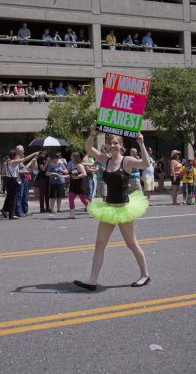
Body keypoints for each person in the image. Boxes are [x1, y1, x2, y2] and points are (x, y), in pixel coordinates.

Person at [73, 123, 150, 291]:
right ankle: (92, 280)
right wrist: (92, 133)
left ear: (121, 146)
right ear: (108, 145)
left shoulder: (127, 161)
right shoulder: (105, 159)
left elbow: (145, 163)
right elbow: (88, 148)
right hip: (109, 208)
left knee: (131, 244)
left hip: (124, 208)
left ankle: (144, 275)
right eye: (111, 143)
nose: (113, 145)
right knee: (99, 244)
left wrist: (141, 143)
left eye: (116, 143)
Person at [0, 149, 38, 220]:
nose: (18, 156)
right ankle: (11, 215)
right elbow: (24, 159)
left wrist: (26, 172)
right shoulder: (13, 161)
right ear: (14, 156)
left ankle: (5, 209)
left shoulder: (7, 162)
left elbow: (6, 172)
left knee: (10, 196)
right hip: (13, 180)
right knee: (13, 198)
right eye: (17, 155)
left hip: (9, 179)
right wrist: (33, 154)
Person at [68, 152, 89, 219]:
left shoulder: (79, 165)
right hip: (73, 184)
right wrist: (63, 176)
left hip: (80, 185)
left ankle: (94, 210)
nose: (70, 158)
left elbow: (84, 174)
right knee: (71, 198)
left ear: (75, 157)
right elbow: (72, 175)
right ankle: (72, 215)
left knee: (84, 200)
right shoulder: (73, 165)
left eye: (71, 156)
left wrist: (77, 177)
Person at [15, 145, 33, 217]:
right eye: (23, 150)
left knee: (25, 196)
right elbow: (17, 171)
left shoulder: (21, 159)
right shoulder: (17, 159)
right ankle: (19, 211)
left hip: (25, 179)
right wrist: (26, 172)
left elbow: (23, 168)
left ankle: (25, 211)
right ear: (19, 151)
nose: (24, 151)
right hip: (20, 179)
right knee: (20, 196)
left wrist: (27, 169)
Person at [34, 149, 51, 213]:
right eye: (45, 150)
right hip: (42, 177)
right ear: (42, 151)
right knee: (42, 193)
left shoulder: (46, 158)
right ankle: (42, 208)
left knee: (47, 193)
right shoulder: (39, 159)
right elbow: (43, 169)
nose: (46, 151)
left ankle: (47, 207)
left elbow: (48, 167)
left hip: (47, 176)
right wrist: (47, 162)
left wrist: (49, 162)